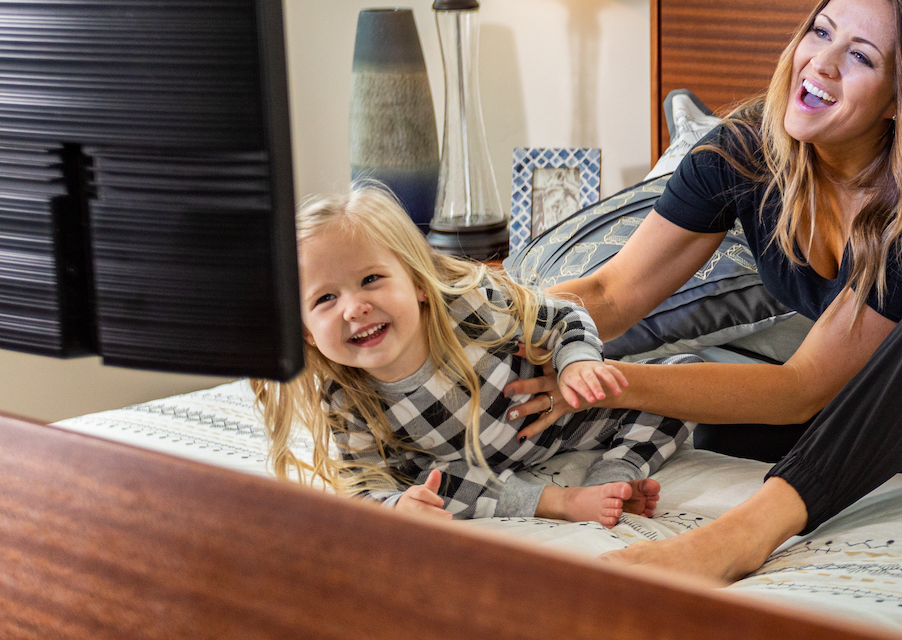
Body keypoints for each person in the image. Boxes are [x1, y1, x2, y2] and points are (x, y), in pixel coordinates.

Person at [505, 0, 902, 581]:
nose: (821, 65)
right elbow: (611, 292)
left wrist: (604, 380)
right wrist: (478, 318)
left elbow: (805, 388)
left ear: (900, 98)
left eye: (859, 56)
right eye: (820, 33)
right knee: (723, 423)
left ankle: (744, 535)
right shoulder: (740, 156)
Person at [253, 183, 686, 527]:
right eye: (325, 298)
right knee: (428, 487)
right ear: (306, 333)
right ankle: (564, 503)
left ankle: (615, 474)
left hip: (570, 421)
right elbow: (364, 483)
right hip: (466, 471)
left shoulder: (473, 308)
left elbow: (564, 315)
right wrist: (397, 507)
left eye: (371, 279)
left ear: (419, 283)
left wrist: (577, 362)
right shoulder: (345, 394)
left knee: (678, 387)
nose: (354, 307)